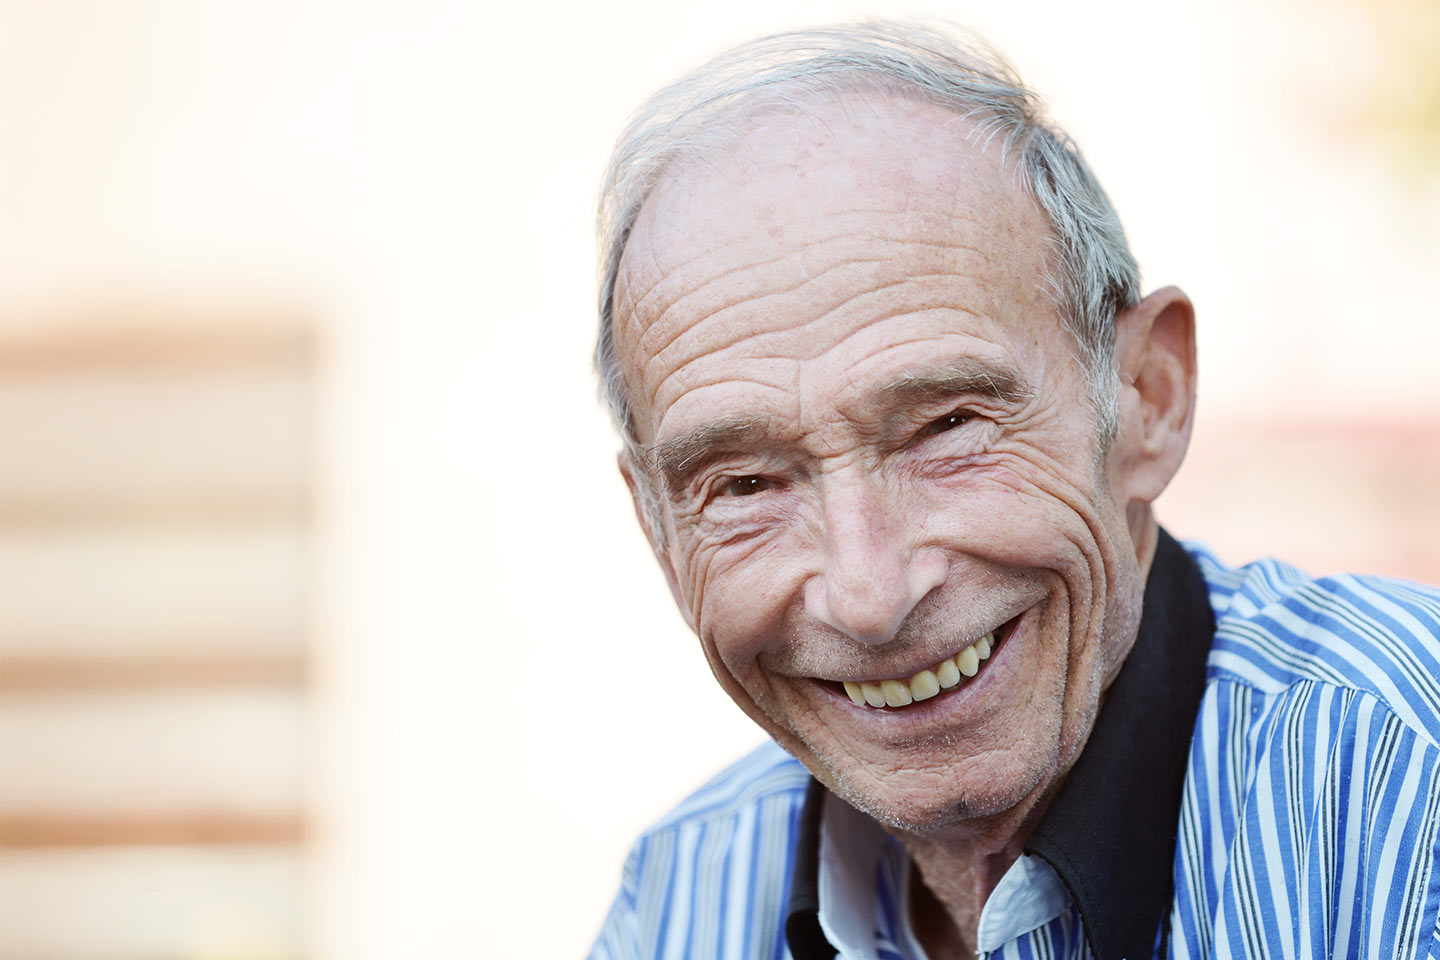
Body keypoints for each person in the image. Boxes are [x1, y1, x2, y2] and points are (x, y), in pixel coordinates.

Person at [587, 21, 1440, 960]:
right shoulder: (682, 896)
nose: (871, 597)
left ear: (1149, 396)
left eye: (947, 428)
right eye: (745, 483)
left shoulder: (1407, 786)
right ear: (660, 531)